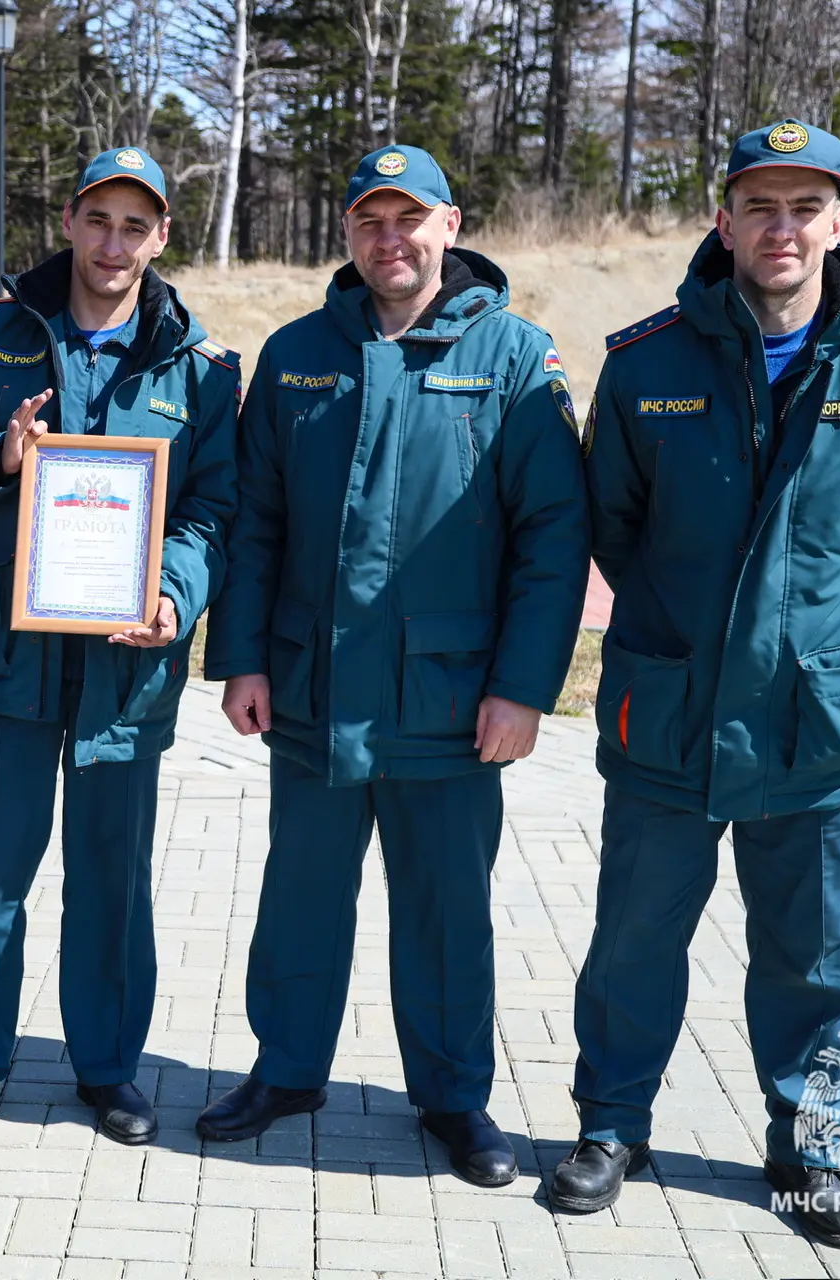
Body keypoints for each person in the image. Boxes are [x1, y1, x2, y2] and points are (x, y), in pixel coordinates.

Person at [551, 120, 840, 1249]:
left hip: (816, 724)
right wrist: (694, 634)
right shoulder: (646, 363)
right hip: (670, 713)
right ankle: (611, 1125)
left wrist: (824, 636)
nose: (783, 228)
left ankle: (809, 1146)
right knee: (634, 938)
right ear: (722, 220)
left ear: (839, 220)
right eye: (760, 206)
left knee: (811, 956)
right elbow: (613, 526)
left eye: (805, 206)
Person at [199, 144, 590, 1187]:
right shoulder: (296, 354)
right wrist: (242, 658)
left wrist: (522, 689)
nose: (390, 239)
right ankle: (287, 1070)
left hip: (449, 702)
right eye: (370, 220)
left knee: (447, 910)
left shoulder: (514, 356)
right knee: (300, 896)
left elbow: (554, 540)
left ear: (449, 226)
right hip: (312, 691)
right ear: (348, 233)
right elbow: (255, 522)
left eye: (409, 219)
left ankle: (454, 1097)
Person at [0, 146, 238, 1150]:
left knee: (113, 875)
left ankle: (106, 1067)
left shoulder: (197, 366)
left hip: (124, 664)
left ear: (162, 237)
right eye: (98, 219)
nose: (113, 242)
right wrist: (1, 456)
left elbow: (213, 511)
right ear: (68, 220)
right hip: (6, 656)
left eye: (134, 225)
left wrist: (173, 593)